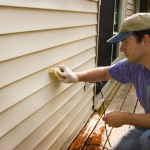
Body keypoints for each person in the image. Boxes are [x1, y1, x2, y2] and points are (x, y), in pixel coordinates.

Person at [56, 13, 150, 150]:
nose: (121, 48)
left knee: (146, 139)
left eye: (126, 42)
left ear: (145, 40)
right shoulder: (135, 65)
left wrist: (125, 118)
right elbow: (105, 72)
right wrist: (75, 76)